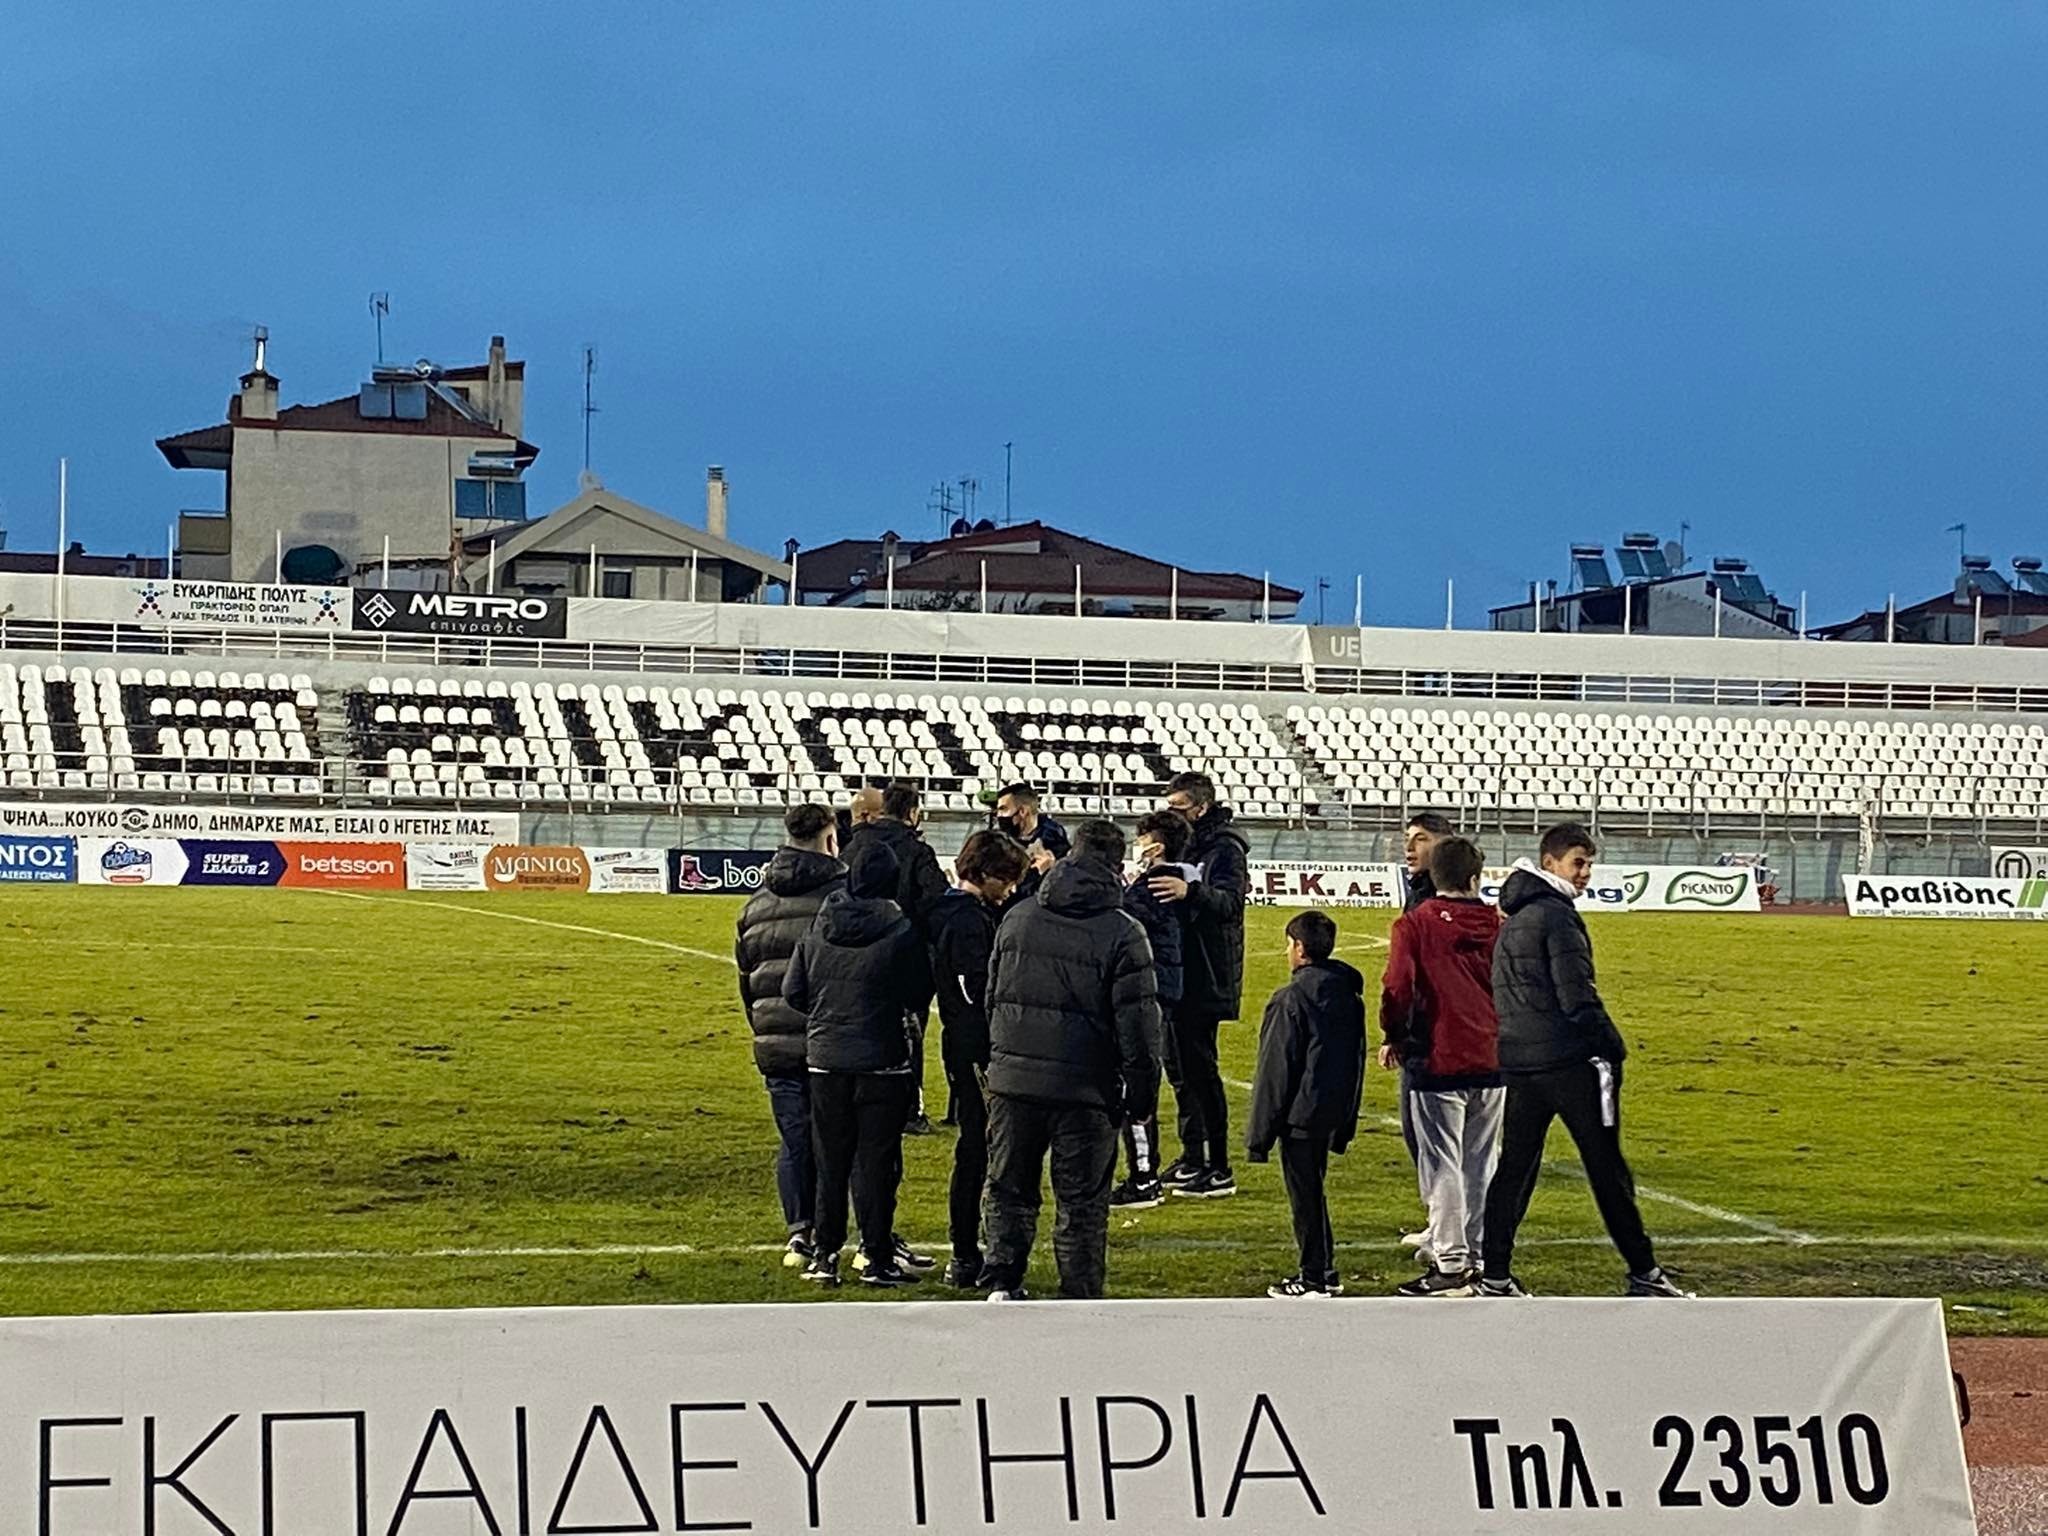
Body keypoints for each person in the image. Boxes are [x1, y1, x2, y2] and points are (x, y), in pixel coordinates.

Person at [1479, 823, 1693, 1299]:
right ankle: (1644, 1271)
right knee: (1605, 1167)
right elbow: (1577, 997)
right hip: (1570, 1061)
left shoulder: (1513, 919)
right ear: (1550, 862)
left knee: (1515, 1168)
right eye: (1578, 862)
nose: (1585, 873)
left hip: (1520, 1061)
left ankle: (1494, 1273)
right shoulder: (1556, 917)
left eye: (1589, 864)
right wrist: (1611, 1047)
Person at [981, 820, 1162, 1300]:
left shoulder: (1019, 916)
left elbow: (992, 998)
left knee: (1008, 1187)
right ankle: (1078, 1297)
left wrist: (999, 1062)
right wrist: (1142, 1097)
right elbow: (1139, 1027)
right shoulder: (1124, 933)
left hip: (1015, 1081)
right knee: (1081, 1202)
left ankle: (1001, 1281)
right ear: (1117, 866)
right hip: (1086, 1089)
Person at [782, 841, 934, 1289]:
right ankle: (875, 1255)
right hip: (882, 1060)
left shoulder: (819, 926)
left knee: (830, 1160)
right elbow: (918, 992)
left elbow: (794, 992)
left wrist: (828, 1016)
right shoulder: (900, 930)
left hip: (826, 1060)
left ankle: (825, 1255)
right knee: (875, 1163)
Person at [1379, 836, 1504, 1297]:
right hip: (1493, 1056)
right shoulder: (1499, 924)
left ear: (1434, 876)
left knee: (1441, 1161)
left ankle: (1451, 1262)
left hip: (1437, 1055)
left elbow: (1398, 986)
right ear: (1476, 878)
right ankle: (1480, 1252)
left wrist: (1394, 1035)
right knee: (1481, 1160)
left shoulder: (1415, 924)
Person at [732, 804, 846, 1269]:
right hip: (831, 1039)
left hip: (776, 1043)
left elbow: (747, 983)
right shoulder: (841, 900)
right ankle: (845, 1234)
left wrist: (765, 1028)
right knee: (841, 1141)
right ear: (831, 841)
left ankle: (800, 1231)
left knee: (796, 1139)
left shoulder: (755, 906)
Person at [927, 828, 1030, 1288]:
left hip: (966, 1043)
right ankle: (967, 1251)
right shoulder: (966, 921)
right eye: (1006, 879)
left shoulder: (960, 913)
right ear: (984, 874)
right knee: (979, 1147)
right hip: (976, 1048)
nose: (1010, 889)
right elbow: (976, 992)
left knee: (981, 1146)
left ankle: (971, 1248)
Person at [1245, 910, 1365, 1299]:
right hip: (1333, 1109)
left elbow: (1276, 1070)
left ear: (1299, 948)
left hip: (1301, 1113)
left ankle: (1314, 1276)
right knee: (1314, 1189)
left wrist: (1259, 1137)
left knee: (1305, 1197)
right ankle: (1324, 1270)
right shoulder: (1347, 993)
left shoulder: (1291, 999)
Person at [1149, 771, 1248, 1200]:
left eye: (1179, 807)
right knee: (1179, 1070)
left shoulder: (1225, 848)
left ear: (1202, 807)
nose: (1171, 814)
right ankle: (1193, 1156)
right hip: (1179, 970)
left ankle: (1219, 1165)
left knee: (1201, 1071)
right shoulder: (1183, 844)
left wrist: (1189, 891)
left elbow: (1229, 903)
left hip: (1205, 972)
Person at [842, 780, 950, 1134]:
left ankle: (862, 1104)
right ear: (913, 812)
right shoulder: (917, 851)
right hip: (907, 956)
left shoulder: (852, 847)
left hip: (854, 953)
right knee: (910, 1032)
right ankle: (909, 1112)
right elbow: (935, 901)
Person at [1111, 809, 1191, 1210]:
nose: (1137, 845)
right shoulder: (1176, 880)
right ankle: (1144, 1173)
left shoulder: (1155, 885)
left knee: (1135, 1085)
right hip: (1162, 989)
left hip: (1149, 992)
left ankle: (1143, 1177)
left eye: (1142, 839)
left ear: (1155, 847)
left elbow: (1124, 922)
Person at [1393, 811, 1457, 1246]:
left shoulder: (1441, 903)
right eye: (1407, 839)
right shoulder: (1419, 893)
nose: (1409, 847)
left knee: (1435, 1137)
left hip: (1436, 1037)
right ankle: (1442, 1224)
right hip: (1427, 1032)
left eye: (1420, 839)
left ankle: (1450, 1236)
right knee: (1425, 1135)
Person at [994, 782, 1071, 910]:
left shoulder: (1056, 844)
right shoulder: (998, 840)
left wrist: (1049, 872)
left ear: (1022, 811)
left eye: (1003, 809)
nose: (999, 815)